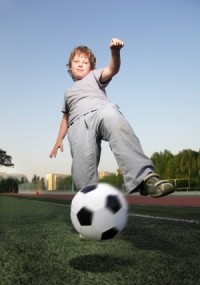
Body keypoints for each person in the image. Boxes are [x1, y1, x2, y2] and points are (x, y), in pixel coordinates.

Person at [50, 38, 174, 198]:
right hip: (78, 126)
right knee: (82, 173)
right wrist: (59, 139)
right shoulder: (67, 93)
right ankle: (89, 199)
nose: (80, 64)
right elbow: (65, 118)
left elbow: (112, 69)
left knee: (113, 117)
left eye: (85, 62)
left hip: (100, 112)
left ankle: (144, 177)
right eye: (76, 61)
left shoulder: (94, 76)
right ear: (70, 66)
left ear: (92, 67)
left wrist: (115, 53)